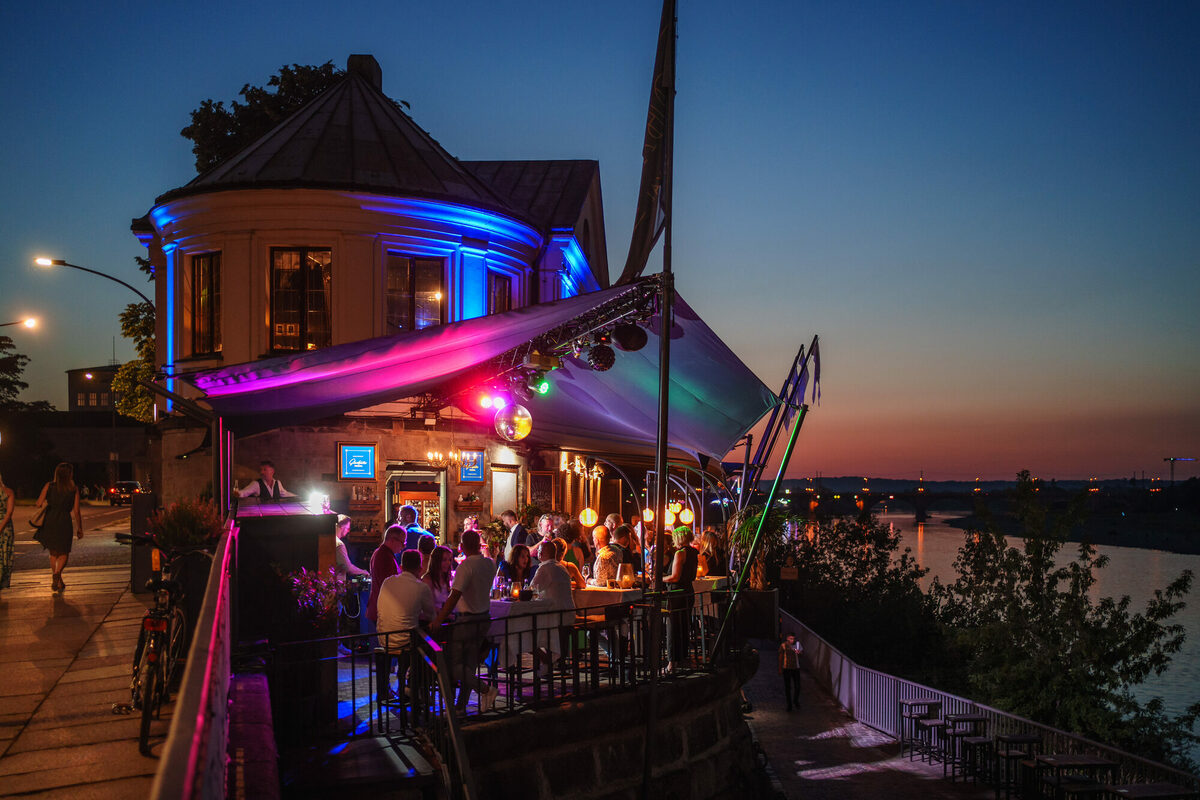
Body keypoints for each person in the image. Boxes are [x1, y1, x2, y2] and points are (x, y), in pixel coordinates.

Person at [432, 529, 498, 715]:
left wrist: (439, 619)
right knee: (469, 665)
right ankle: (461, 707)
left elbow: (455, 596)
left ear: (461, 547)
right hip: (484, 618)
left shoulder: (465, 566)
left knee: (454, 666)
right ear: (479, 545)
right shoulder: (489, 564)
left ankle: (485, 689)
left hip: (466, 620)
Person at [33, 463, 84, 594]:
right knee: (64, 552)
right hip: (64, 521)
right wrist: (80, 528)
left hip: (50, 520)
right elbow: (76, 511)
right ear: (69, 474)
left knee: (53, 553)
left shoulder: (49, 486)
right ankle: (57, 573)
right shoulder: (73, 489)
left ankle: (58, 579)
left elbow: (38, 504)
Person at [377, 549, 438, 651]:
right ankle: (431, 665)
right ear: (420, 568)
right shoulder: (421, 587)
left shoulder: (387, 582)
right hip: (406, 640)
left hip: (384, 638)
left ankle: (404, 666)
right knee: (431, 636)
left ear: (401, 567)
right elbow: (431, 616)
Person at [663, 526, 699, 671]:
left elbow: (675, 577)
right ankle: (684, 658)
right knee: (684, 626)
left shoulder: (680, 553)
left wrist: (660, 578)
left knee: (672, 628)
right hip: (689, 592)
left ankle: (672, 663)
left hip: (677, 593)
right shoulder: (694, 553)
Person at [366, 525, 406, 625]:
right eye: (402, 542)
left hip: (377, 608)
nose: (404, 546)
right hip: (382, 610)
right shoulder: (385, 556)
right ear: (392, 540)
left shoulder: (379, 552)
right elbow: (391, 586)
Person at [334, 515, 370, 582]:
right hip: (337, 585)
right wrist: (364, 572)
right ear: (342, 527)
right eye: (348, 528)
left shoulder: (331, 540)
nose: (348, 531)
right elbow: (348, 568)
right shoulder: (339, 544)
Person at [422, 544, 455, 609]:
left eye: (450, 560)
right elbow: (429, 606)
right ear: (436, 561)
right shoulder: (427, 579)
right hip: (436, 616)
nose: (448, 563)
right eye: (444, 560)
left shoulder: (450, 577)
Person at [779, 632, 804, 711]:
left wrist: (799, 653)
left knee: (798, 686)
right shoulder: (783, 645)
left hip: (796, 668)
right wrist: (780, 668)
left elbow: (801, 654)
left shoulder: (797, 644)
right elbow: (780, 656)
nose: (792, 640)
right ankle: (789, 704)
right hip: (787, 668)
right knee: (788, 687)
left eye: (793, 638)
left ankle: (795, 700)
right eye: (790, 638)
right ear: (787, 638)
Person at [0, 472, 15, 593]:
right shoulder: (9, 492)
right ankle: (2, 581)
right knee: (5, 555)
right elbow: (9, 513)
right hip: (6, 529)